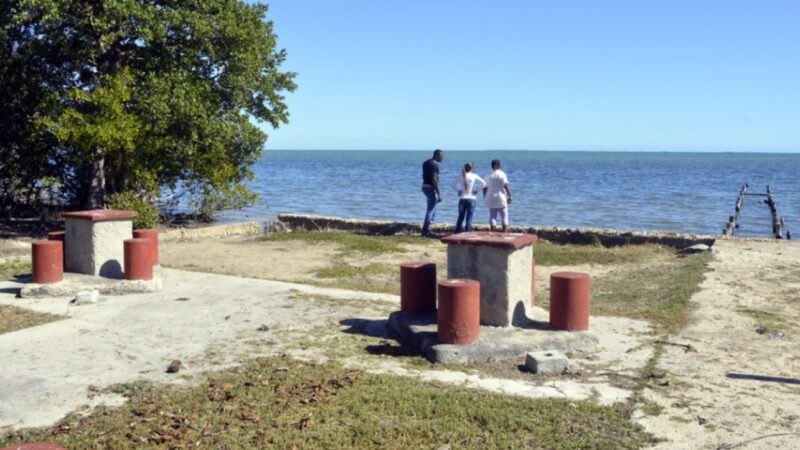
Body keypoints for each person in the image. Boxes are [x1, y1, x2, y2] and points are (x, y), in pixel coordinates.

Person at [452, 162, 486, 233]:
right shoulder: (474, 175)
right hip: (471, 199)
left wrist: (459, 190)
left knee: (460, 217)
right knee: (469, 218)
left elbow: (452, 185)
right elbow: (484, 183)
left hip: (462, 199)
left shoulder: (460, 176)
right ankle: (467, 233)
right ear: (472, 168)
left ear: (465, 168)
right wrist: (477, 191)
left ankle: (457, 232)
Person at [484, 159, 512, 232]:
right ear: (499, 166)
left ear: (492, 166)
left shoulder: (488, 175)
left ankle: (493, 232)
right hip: (501, 195)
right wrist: (510, 195)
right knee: (504, 215)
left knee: (492, 216)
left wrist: (485, 196)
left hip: (490, 196)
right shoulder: (502, 174)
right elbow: (506, 185)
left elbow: (485, 187)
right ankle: (504, 233)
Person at [421, 149, 444, 237]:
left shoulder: (426, 162)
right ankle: (425, 231)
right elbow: (434, 179)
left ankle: (427, 228)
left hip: (424, 186)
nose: (442, 158)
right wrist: (439, 193)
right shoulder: (434, 165)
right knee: (431, 209)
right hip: (430, 187)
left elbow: (424, 175)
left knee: (432, 207)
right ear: (436, 156)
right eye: (441, 157)